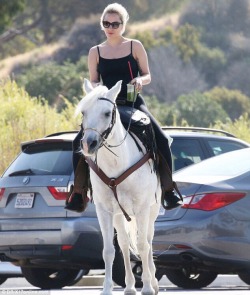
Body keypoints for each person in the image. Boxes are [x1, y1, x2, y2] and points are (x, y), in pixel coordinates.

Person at [65, 2, 182, 212]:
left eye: (115, 24)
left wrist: (140, 81)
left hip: (132, 102)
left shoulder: (134, 46)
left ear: (123, 25)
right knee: (78, 141)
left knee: (162, 138)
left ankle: (168, 190)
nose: (110, 27)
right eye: (106, 23)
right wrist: (97, 88)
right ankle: (79, 193)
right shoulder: (95, 52)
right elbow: (93, 80)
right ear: (102, 24)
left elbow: (147, 74)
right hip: (105, 107)